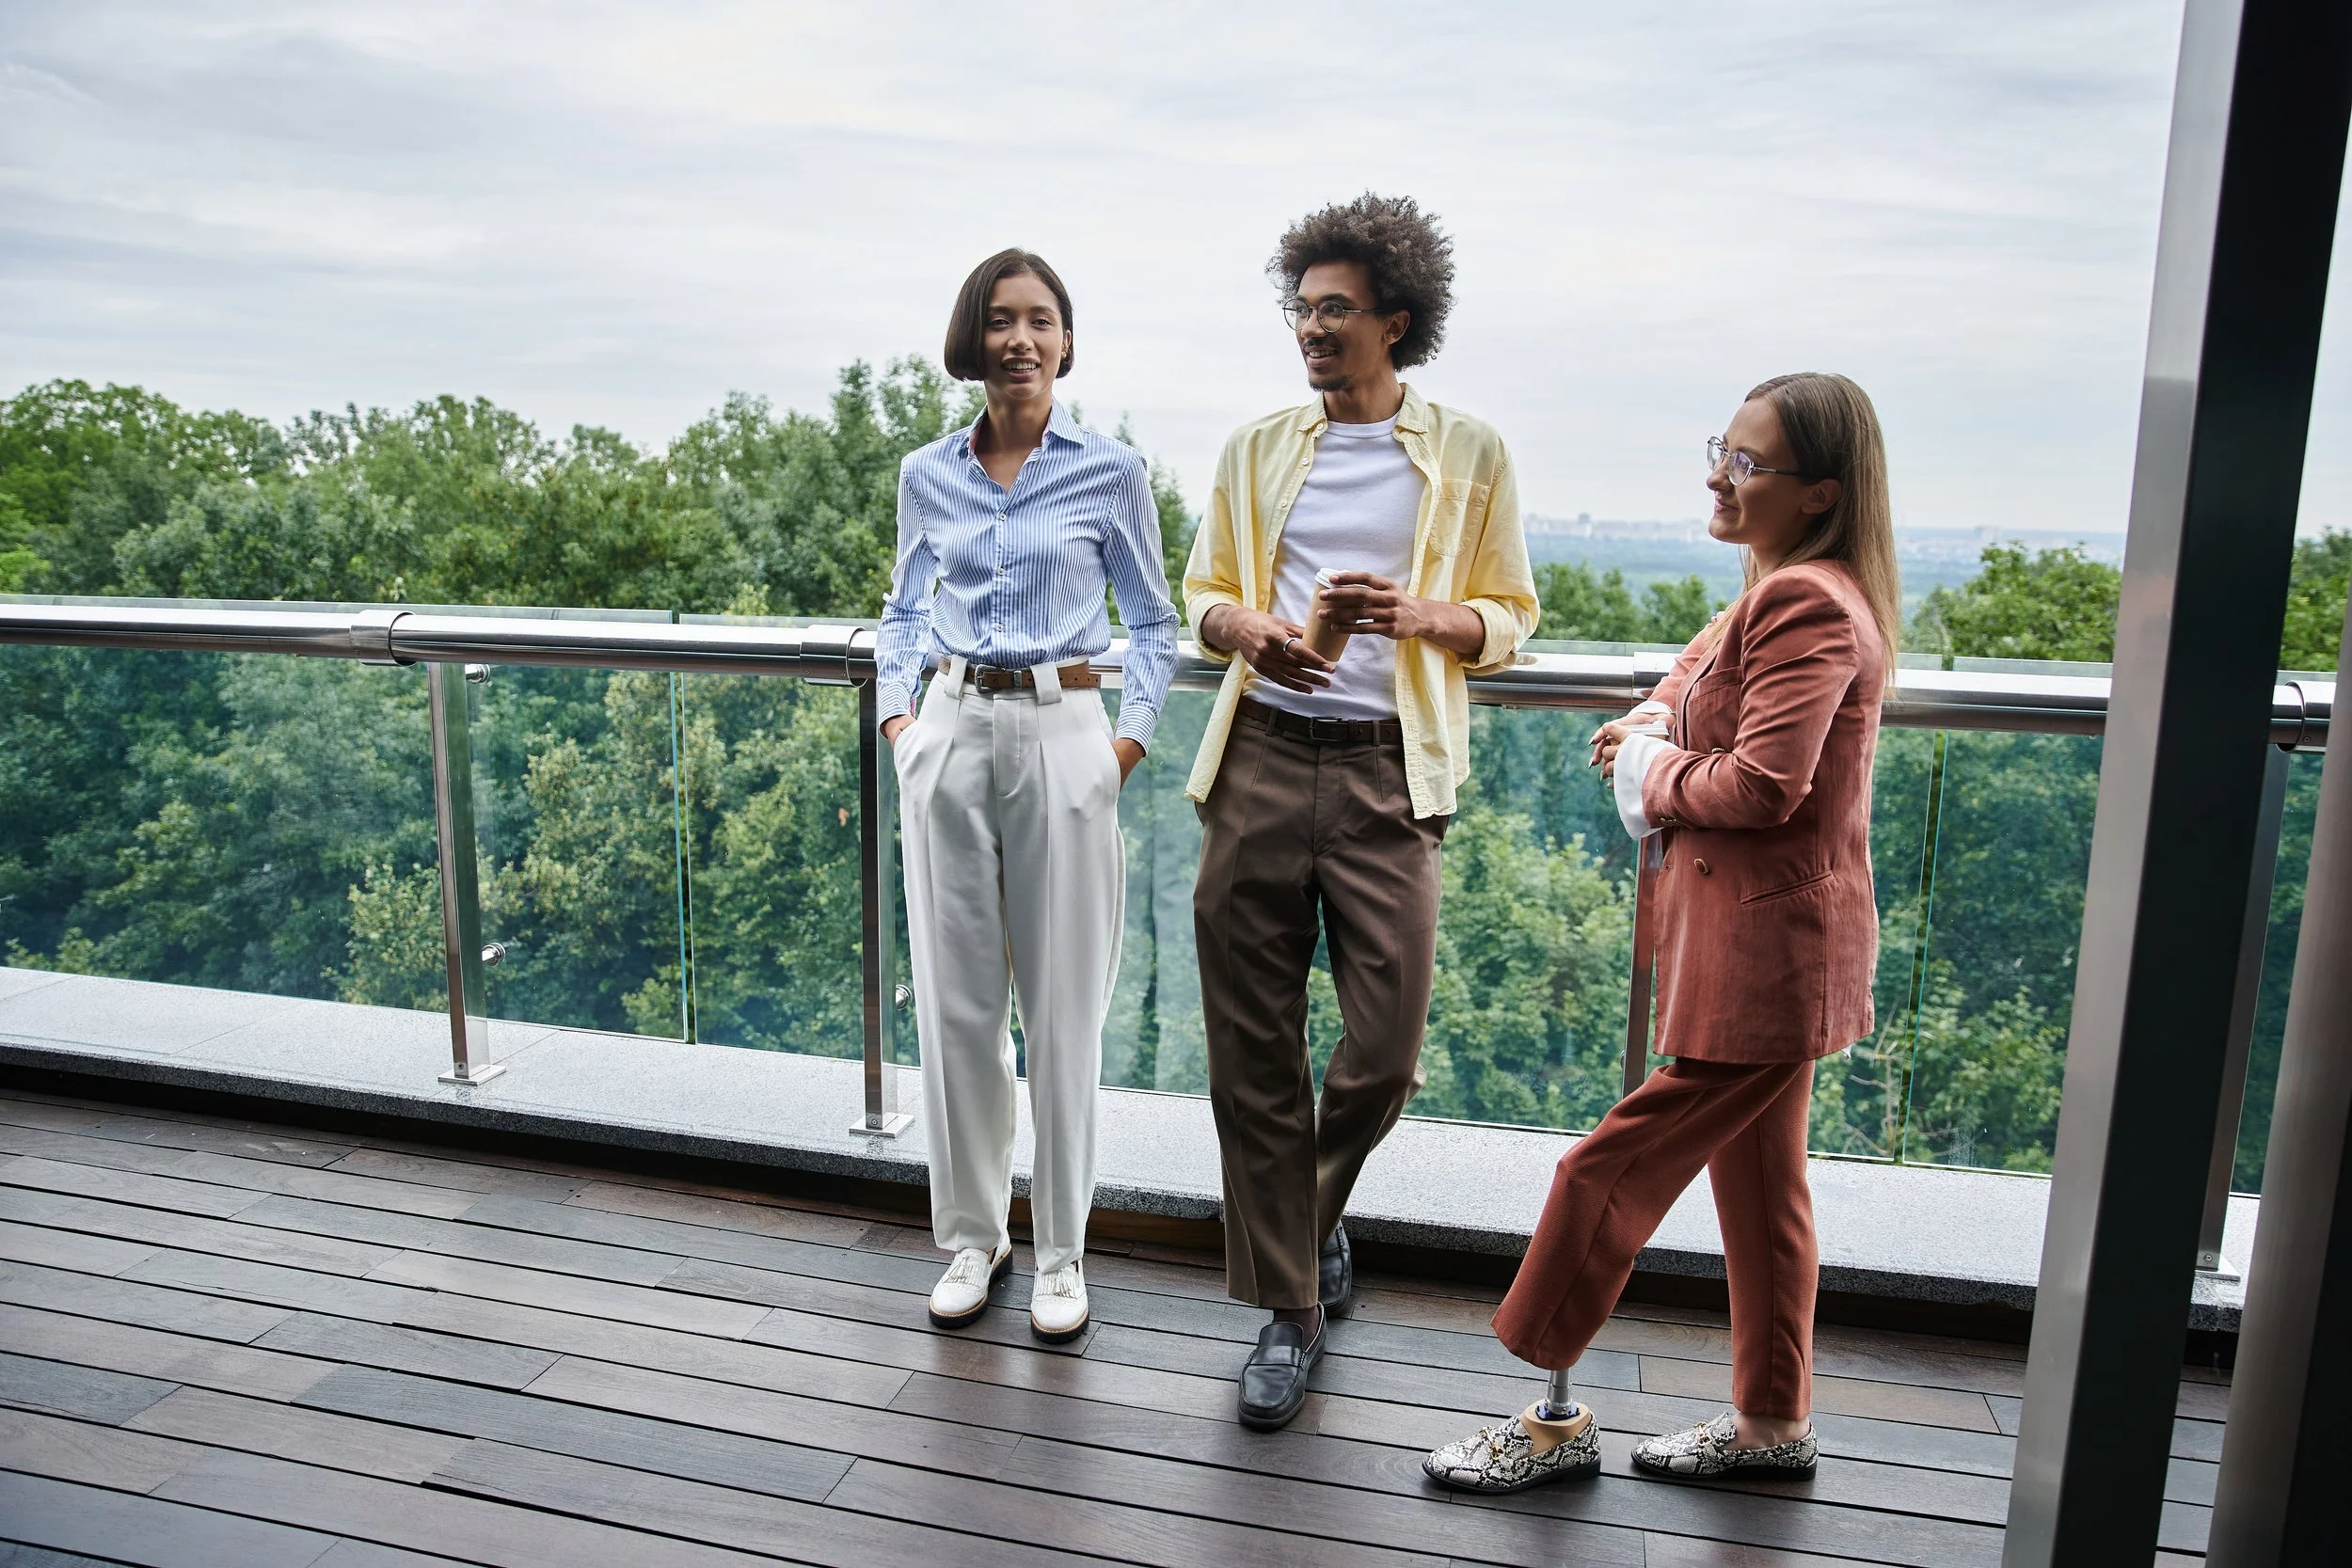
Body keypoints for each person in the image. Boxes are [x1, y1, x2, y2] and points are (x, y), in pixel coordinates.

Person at [1422, 372, 1899, 1491]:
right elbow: (1676, 690)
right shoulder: (1769, 590)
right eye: (1719, 449)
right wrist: (1652, 733)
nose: (1716, 475)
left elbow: (1761, 785)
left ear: (1817, 492)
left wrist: (1647, 761)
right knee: (1764, 1198)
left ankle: (1547, 1420)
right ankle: (1772, 1423)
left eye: (1746, 462)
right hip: (1765, 954)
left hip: (1766, 965)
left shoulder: (1807, 602)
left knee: (1604, 1171)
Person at [1184, 194, 1539, 1430]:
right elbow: (1205, 593)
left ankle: (1307, 1220)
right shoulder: (1256, 446)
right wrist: (1250, 630)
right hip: (1265, 757)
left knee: (1383, 1049)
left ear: (1397, 319)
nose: (1312, 327)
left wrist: (1424, 617)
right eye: (1302, 306)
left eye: (1337, 308)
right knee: (1252, 1047)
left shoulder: (1469, 453)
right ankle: (1289, 1306)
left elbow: (1509, 614)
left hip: (1394, 770)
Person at [878, 247, 1177, 1344]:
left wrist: (1125, 745)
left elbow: (1153, 623)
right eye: (1000, 319)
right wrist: (902, 726)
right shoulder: (927, 473)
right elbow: (903, 612)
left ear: (1064, 340)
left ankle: (1060, 1252)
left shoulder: (1112, 472)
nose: (1019, 339)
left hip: (1066, 737)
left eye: (1039, 319)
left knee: (1061, 1016)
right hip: (950, 733)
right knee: (957, 1006)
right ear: (974, 338)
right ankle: (971, 1235)